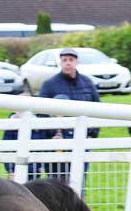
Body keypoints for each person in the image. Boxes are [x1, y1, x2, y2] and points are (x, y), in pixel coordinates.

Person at [35, 47, 101, 183]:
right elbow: (41, 112)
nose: (68, 63)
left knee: (79, 179)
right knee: (57, 182)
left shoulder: (87, 83)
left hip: (82, 137)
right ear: (60, 62)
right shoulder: (49, 84)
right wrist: (52, 134)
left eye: (71, 60)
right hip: (58, 142)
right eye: (64, 60)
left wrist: (92, 133)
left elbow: (97, 109)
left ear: (77, 62)